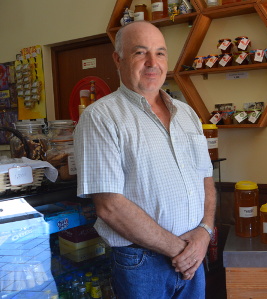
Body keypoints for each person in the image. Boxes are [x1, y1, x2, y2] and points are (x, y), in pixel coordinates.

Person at [74, 21, 216, 299]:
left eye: (160, 53)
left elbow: (205, 178)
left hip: (193, 253)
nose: (153, 62)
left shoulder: (187, 114)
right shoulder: (100, 117)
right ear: (118, 59)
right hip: (141, 263)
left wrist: (204, 232)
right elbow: (109, 206)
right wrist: (180, 250)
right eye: (141, 53)